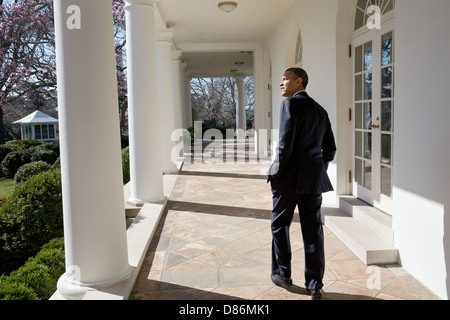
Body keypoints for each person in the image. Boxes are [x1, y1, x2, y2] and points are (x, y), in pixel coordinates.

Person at [267, 67, 336, 300]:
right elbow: (330, 149)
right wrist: (317, 169)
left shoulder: (290, 105)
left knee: (279, 225)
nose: (281, 83)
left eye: (285, 79)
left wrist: (275, 173)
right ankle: (315, 284)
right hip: (313, 181)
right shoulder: (321, 111)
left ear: (299, 81)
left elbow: (285, 145)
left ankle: (283, 274)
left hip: (289, 180)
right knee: (313, 231)